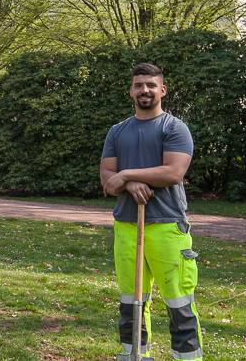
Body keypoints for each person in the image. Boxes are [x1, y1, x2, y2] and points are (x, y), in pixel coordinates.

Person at [100, 63, 202, 361]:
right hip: (127, 225)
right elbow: (107, 178)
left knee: (179, 301)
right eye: (138, 85)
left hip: (167, 226)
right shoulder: (117, 132)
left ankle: (188, 358)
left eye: (151, 85)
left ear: (162, 90)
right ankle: (134, 355)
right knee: (132, 300)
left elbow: (173, 172)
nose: (144, 90)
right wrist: (130, 183)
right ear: (131, 91)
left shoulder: (174, 128)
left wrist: (127, 174)